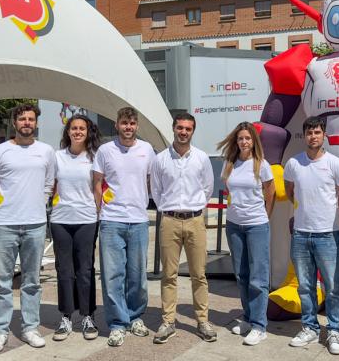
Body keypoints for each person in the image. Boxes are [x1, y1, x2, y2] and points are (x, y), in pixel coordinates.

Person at [0, 103, 56, 353]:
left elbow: (49, 184)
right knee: (2, 281)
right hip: (4, 225)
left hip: (35, 224)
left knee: (31, 280)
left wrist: (38, 203)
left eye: (31, 119)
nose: (27, 123)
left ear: (36, 123)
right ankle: (0, 331)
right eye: (22, 119)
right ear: (14, 123)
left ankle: (29, 328)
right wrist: (5, 208)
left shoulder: (46, 151)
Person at [284, 116, 339, 355]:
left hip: (328, 235)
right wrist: (303, 213)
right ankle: (310, 328)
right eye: (309, 133)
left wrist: (329, 213)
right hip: (301, 234)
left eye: (317, 132)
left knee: (332, 287)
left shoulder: (335, 164)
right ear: (305, 136)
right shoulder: (294, 163)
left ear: (324, 136)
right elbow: (290, 192)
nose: (313, 136)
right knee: (305, 286)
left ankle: (334, 330)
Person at [92, 107, 156, 347]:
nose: (128, 127)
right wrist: (100, 211)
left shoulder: (147, 149)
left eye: (131, 123)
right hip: (111, 220)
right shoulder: (105, 150)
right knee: (112, 275)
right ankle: (118, 323)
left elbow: (152, 180)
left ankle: (135, 316)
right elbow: (97, 182)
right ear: (116, 125)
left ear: (136, 126)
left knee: (137, 275)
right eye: (124, 123)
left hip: (138, 220)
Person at [150, 113, 216, 344]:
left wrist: (193, 209)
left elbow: (208, 188)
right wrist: (169, 210)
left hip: (195, 221)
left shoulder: (201, 158)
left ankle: (202, 321)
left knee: (199, 274)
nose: (183, 132)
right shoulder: (160, 159)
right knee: (169, 275)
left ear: (193, 131)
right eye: (180, 128)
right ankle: (168, 322)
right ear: (173, 129)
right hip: (169, 221)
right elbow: (155, 191)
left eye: (188, 128)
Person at [218, 121, 275, 346]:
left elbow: (271, 191)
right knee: (241, 275)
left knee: (258, 277)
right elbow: (229, 189)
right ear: (236, 141)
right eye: (241, 138)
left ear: (254, 141)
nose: (244, 142)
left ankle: (260, 326)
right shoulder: (229, 164)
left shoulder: (261, 164)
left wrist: (265, 216)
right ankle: (249, 318)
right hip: (234, 225)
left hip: (256, 225)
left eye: (248, 138)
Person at [51, 114, 101, 341]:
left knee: (85, 270)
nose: (78, 132)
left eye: (82, 128)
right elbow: (50, 185)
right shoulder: (57, 157)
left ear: (88, 132)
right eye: (74, 128)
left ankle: (88, 315)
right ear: (68, 132)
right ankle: (66, 316)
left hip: (87, 220)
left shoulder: (95, 157)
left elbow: (99, 188)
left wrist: (98, 213)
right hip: (61, 219)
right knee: (64, 271)